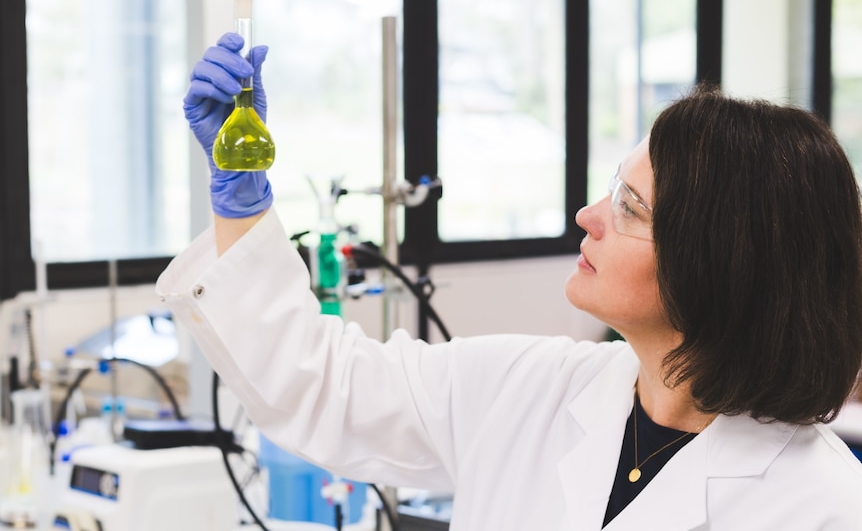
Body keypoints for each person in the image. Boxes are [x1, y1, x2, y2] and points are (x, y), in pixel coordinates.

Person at [157, 33, 862, 530]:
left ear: (718, 263)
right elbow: (323, 383)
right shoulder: (533, 387)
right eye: (611, 190)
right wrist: (240, 204)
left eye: (630, 208)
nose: (587, 216)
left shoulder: (823, 504)